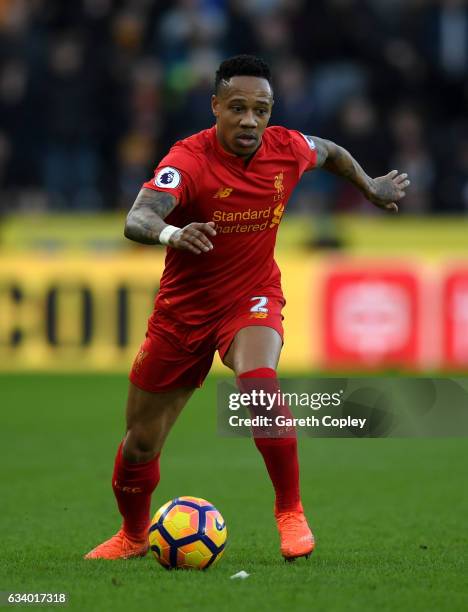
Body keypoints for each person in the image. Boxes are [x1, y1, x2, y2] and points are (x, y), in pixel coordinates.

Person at [85, 55, 410, 561]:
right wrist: (174, 232)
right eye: (237, 108)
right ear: (216, 107)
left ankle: (290, 512)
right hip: (182, 312)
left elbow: (330, 151)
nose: (250, 120)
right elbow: (138, 217)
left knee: (258, 382)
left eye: (261, 110)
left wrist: (369, 186)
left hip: (251, 296)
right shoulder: (188, 160)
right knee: (140, 443)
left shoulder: (286, 147)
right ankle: (132, 534)